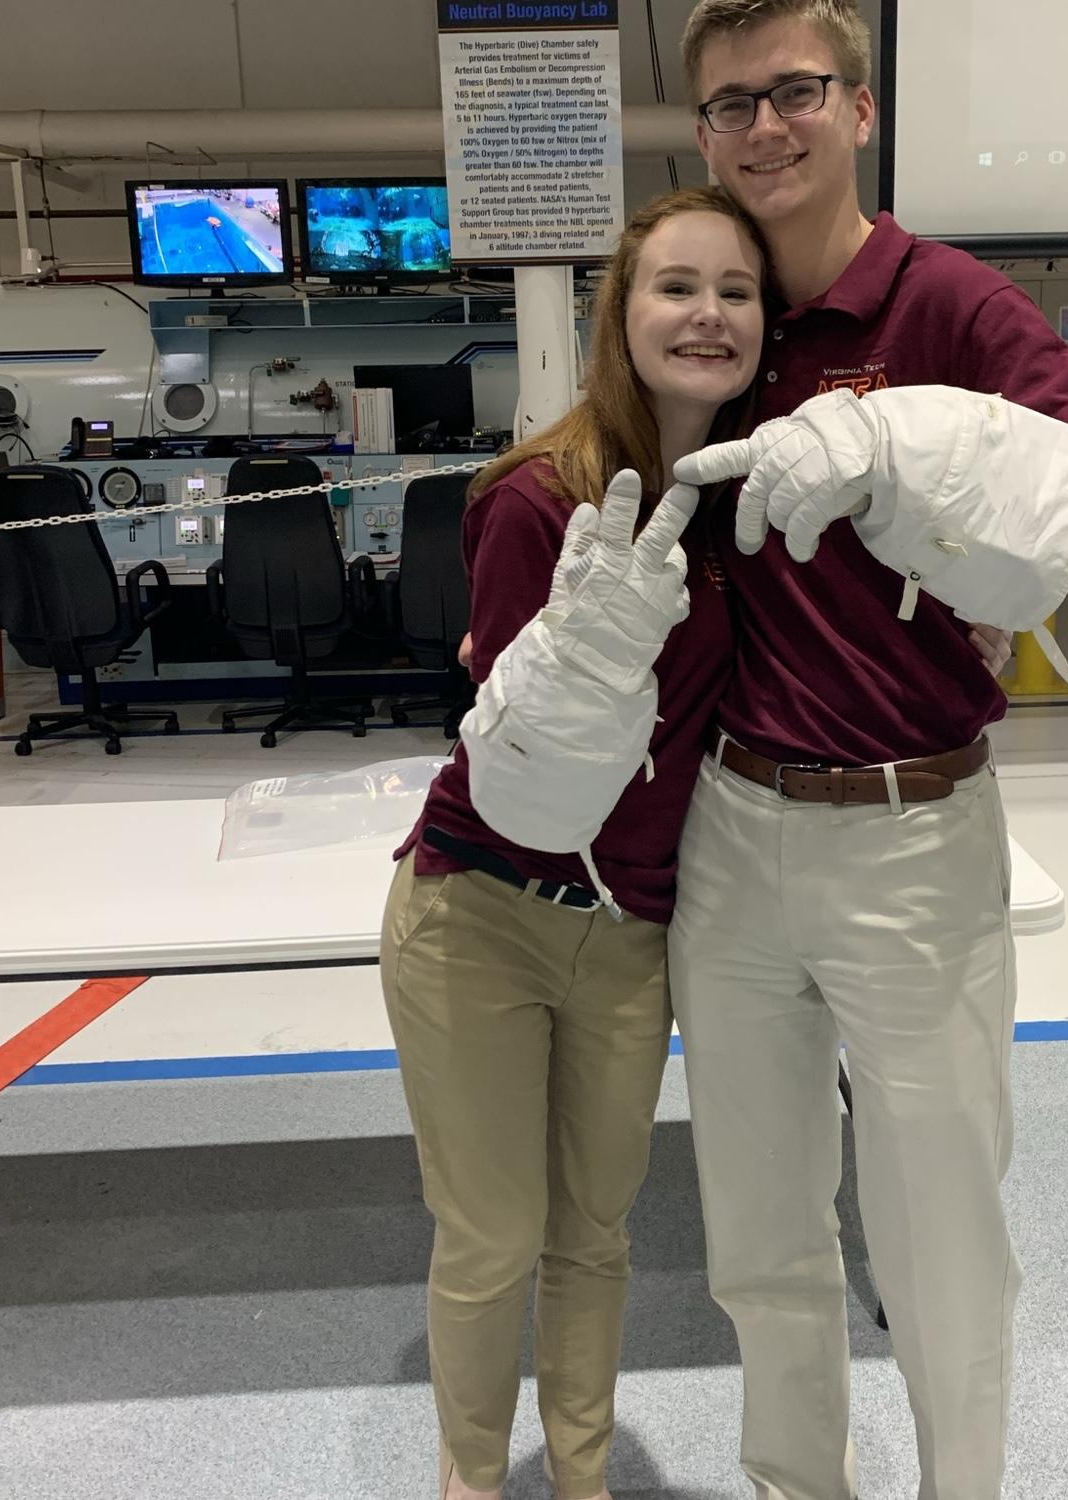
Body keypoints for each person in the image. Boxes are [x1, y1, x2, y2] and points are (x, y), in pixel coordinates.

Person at [460, 4, 1068, 1497]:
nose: (765, 126)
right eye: (731, 104)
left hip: (912, 838)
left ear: (861, 110)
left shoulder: (950, 307)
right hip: (734, 835)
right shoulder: (718, 311)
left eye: (796, 91)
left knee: (937, 1244)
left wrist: (918, 447)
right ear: (703, 137)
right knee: (761, 1239)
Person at [379, 185, 768, 1500]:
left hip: (633, 929)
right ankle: (473, 1483)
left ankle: (583, 1480)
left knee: (594, 1236)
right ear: (622, 309)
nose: (707, 315)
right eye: (677, 286)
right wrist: (571, 675)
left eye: (737, 290)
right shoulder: (539, 499)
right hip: (481, 910)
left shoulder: (751, 509)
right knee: (491, 1236)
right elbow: (508, 769)